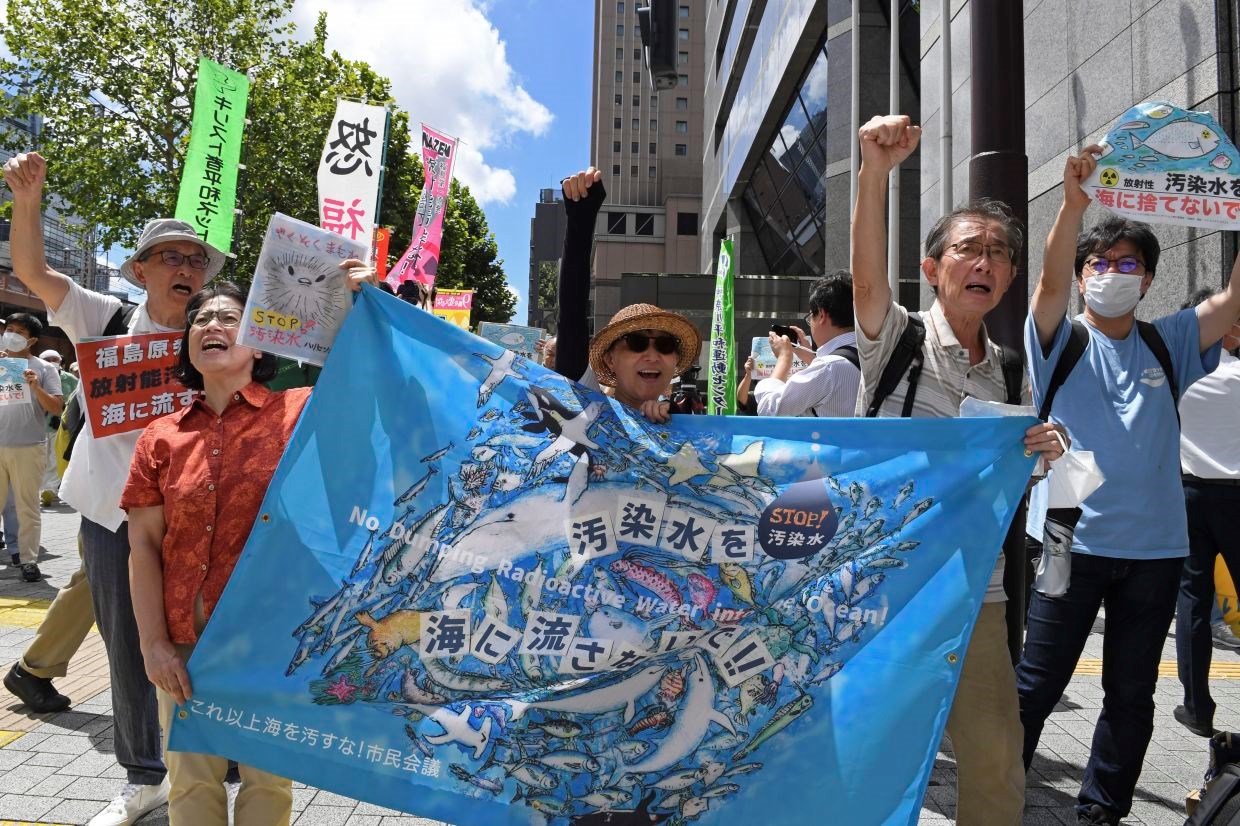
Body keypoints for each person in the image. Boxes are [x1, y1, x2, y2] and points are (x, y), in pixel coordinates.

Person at [851, 114, 1065, 826]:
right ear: (932, 268)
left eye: (999, 253)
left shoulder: (1010, 372)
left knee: (998, 758)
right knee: (873, 756)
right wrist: (875, 172)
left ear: (1009, 278)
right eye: (969, 249)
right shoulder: (897, 340)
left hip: (979, 590)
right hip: (888, 584)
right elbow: (865, 278)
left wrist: (1041, 452)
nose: (985, 262)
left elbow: (1014, 482)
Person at [1016, 146, 1240, 826]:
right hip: (1068, 542)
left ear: (1147, 281)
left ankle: (1100, 813)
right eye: (1099, 263)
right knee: (1037, 685)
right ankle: (999, 798)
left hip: (1156, 551)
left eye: (1128, 264)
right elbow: (1047, 282)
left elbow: (1234, 301)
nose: (1112, 273)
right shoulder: (1058, 340)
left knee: (1132, 694)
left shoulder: (1169, 342)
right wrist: (1072, 205)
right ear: (1082, 276)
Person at [2, 150, 226, 825]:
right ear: (140, 271)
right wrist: (28, 200)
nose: (187, 268)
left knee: (205, 638)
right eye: (171, 257)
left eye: (197, 260)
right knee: (126, 647)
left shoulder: (218, 332)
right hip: (110, 517)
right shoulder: (105, 319)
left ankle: (213, 756)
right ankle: (143, 776)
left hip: (197, 520)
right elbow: (33, 273)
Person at [121, 273, 367, 824]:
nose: (211, 324)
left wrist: (357, 304)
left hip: (273, 635)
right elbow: (143, 545)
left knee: (267, 784)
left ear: (260, 342)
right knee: (191, 783)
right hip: (185, 640)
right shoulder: (160, 437)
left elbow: (364, 383)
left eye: (229, 317)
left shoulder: (300, 412)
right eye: (201, 319)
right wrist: (153, 644)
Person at [1173, 290, 1240, 738]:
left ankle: (1197, 707)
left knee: (1193, 600)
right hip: (1237, 494)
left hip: (1188, 493)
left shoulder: (1177, 378)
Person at [0, 313, 63, 581]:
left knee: (27, 507)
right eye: (9, 329)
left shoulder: (44, 368)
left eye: (20, 332)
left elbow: (56, 407)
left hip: (29, 446)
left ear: (32, 340)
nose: (11, 334)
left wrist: (35, 387)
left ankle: (28, 560)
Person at [754, 271, 859, 417]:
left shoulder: (827, 368)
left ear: (821, 315)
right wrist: (812, 359)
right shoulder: (873, 354)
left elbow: (770, 410)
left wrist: (784, 358)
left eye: (810, 317)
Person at [587, 302, 702, 423]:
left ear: (676, 360)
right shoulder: (586, 418)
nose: (652, 357)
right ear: (610, 360)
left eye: (665, 344)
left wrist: (676, 420)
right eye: (636, 342)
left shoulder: (687, 425)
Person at [38, 348, 75, 505]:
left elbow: (76, 399)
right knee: (40, 459)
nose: (52, 362)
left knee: (54, 458)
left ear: (61, 362)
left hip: (60, 426)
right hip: (38, 425)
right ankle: (40, 488)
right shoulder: (36, 375)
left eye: (55, 359)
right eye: (48, 359)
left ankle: (49, 490)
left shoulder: (70, 379)